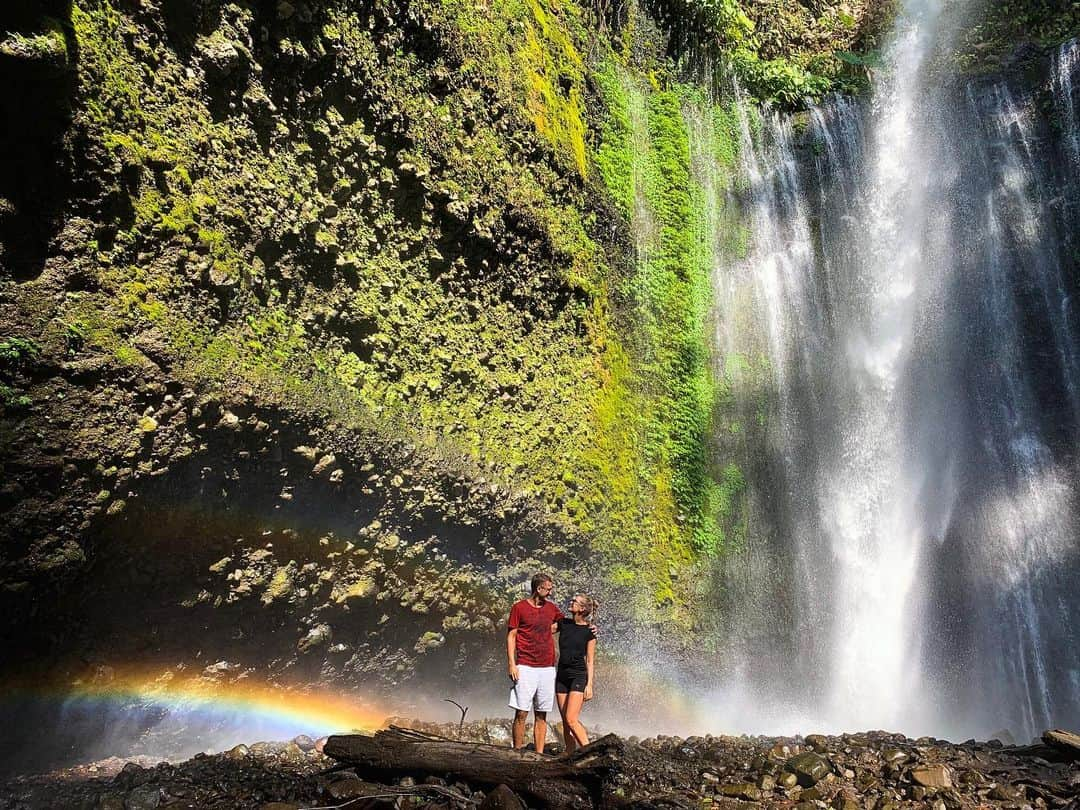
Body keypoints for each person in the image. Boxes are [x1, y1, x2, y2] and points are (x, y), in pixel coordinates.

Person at [507, 572, 563, 753]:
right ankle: (517, 751)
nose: (550, 592)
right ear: (538, 589)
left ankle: (538, 755)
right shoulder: (519, 608)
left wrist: (590, 623)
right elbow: (512, 636)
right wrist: (511, 663)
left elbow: (567, 623)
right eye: (548, 589)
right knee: (521, 712)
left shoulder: (551, 608)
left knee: (541, 714)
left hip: (547, 667)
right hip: (525, 665)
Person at [555, 594, 597, 753]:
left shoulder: (589, 631)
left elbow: (590, 660)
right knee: (565, 721)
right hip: (562, 676)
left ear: (582, 609)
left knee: (571, 719)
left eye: (575, 601)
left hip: (578, 676)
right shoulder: (563, 623)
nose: (570, 602)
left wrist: (590, 685)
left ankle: (590, 753)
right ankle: (570, 753)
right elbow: (542, 630)